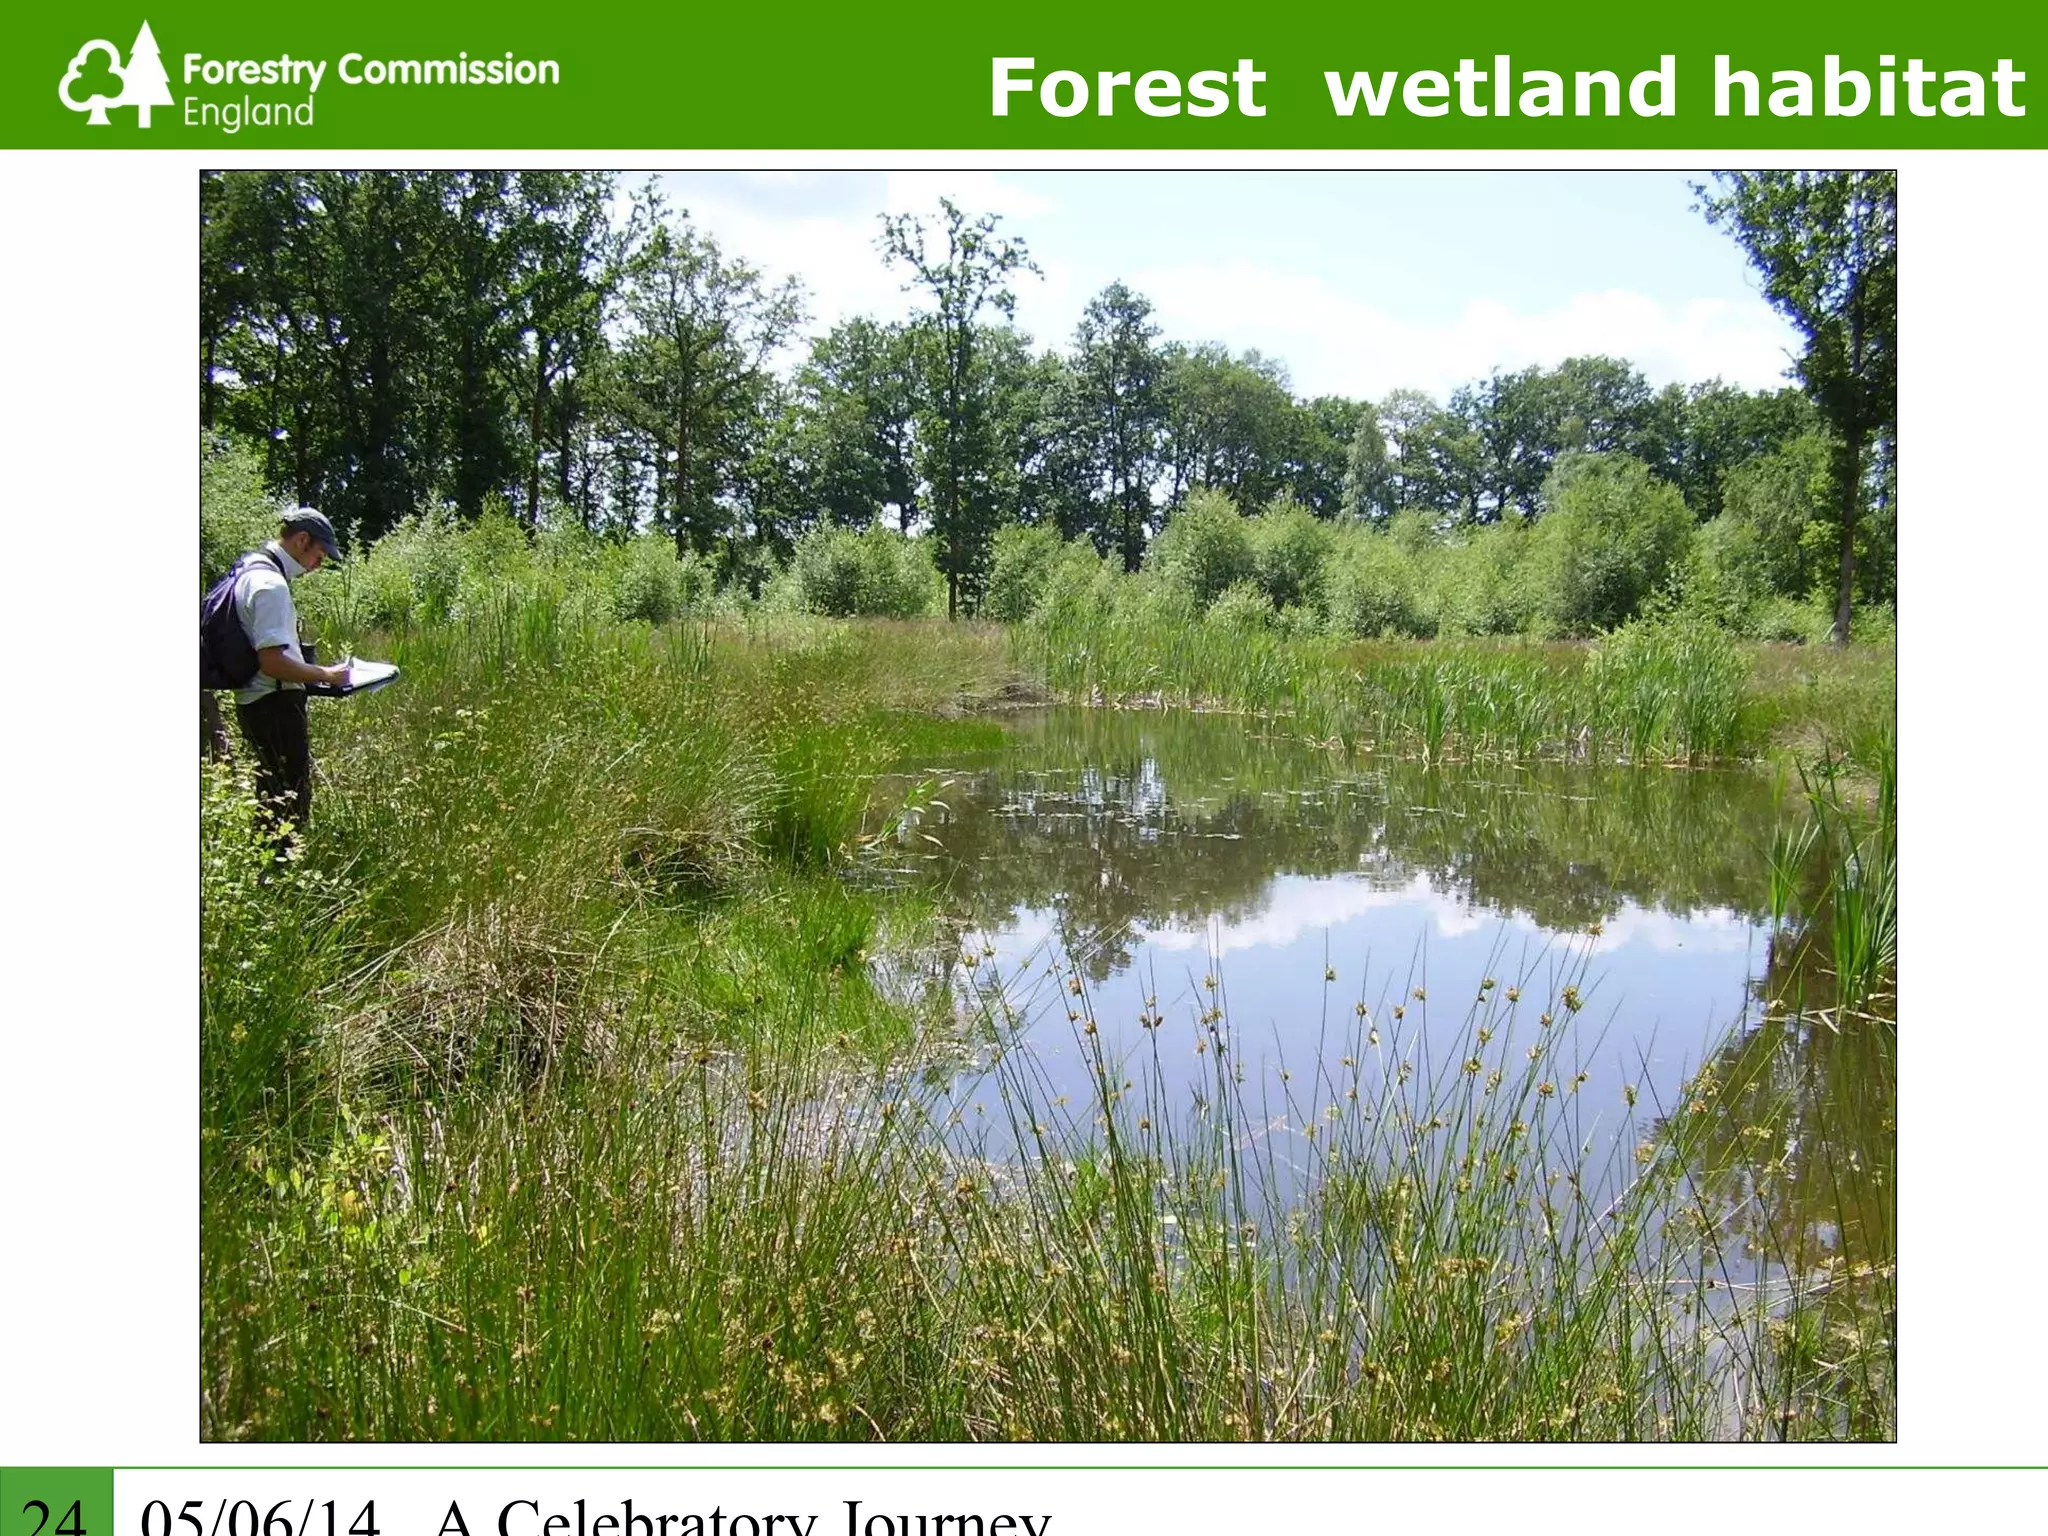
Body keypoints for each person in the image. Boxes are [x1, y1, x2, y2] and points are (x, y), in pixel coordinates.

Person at [228, 508, 351, 837]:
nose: (318, 564)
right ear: (301, 540)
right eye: (320, 555)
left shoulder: (249, 570)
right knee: (289, 798)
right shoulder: (271, 586)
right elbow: (272, 662)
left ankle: (267, 872)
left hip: (257, 702)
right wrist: (327, 674)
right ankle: (281, 875)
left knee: (270, 792)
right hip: (275, 704)